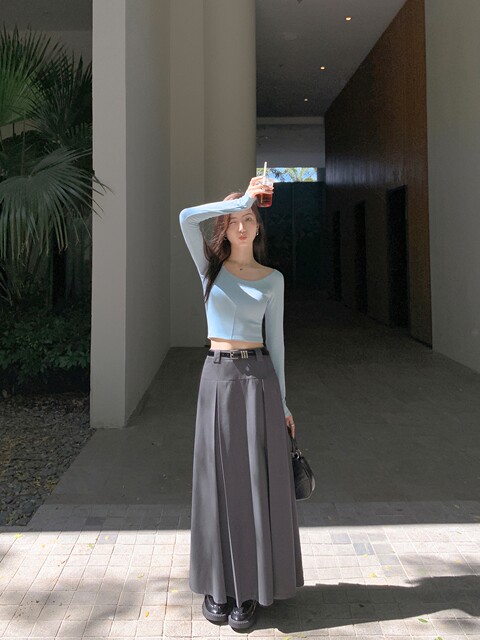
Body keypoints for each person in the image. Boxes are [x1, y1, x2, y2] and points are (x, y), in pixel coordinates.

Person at [179, 175, 304, 631]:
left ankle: (248, 590)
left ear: (258, 227)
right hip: (216, 379)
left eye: (249, 218)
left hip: (259, 382)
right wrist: (238, 199)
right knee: (216, 483)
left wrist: (284, 404)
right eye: (235, 221)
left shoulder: (274, 280)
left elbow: (278, 344)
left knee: (252, 485)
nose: (243, 226)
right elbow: (185, 218)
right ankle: (218, 585)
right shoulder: (209, 269)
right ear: (225, 229)